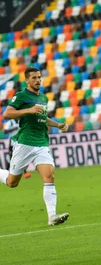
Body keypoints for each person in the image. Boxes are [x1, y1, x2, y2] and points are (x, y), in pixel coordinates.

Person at [0, 67, 70, 225]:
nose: (38, 80)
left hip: (41, 143)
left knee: (49, 176)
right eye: (34, 78)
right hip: (24, 143)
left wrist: (58, 125)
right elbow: (7, 114)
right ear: (27, 80)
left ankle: (52, 216)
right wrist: (27, 110)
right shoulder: (21, 96)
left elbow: (43, 118)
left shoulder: (43, 98)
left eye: (39, 77)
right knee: (12, 182)